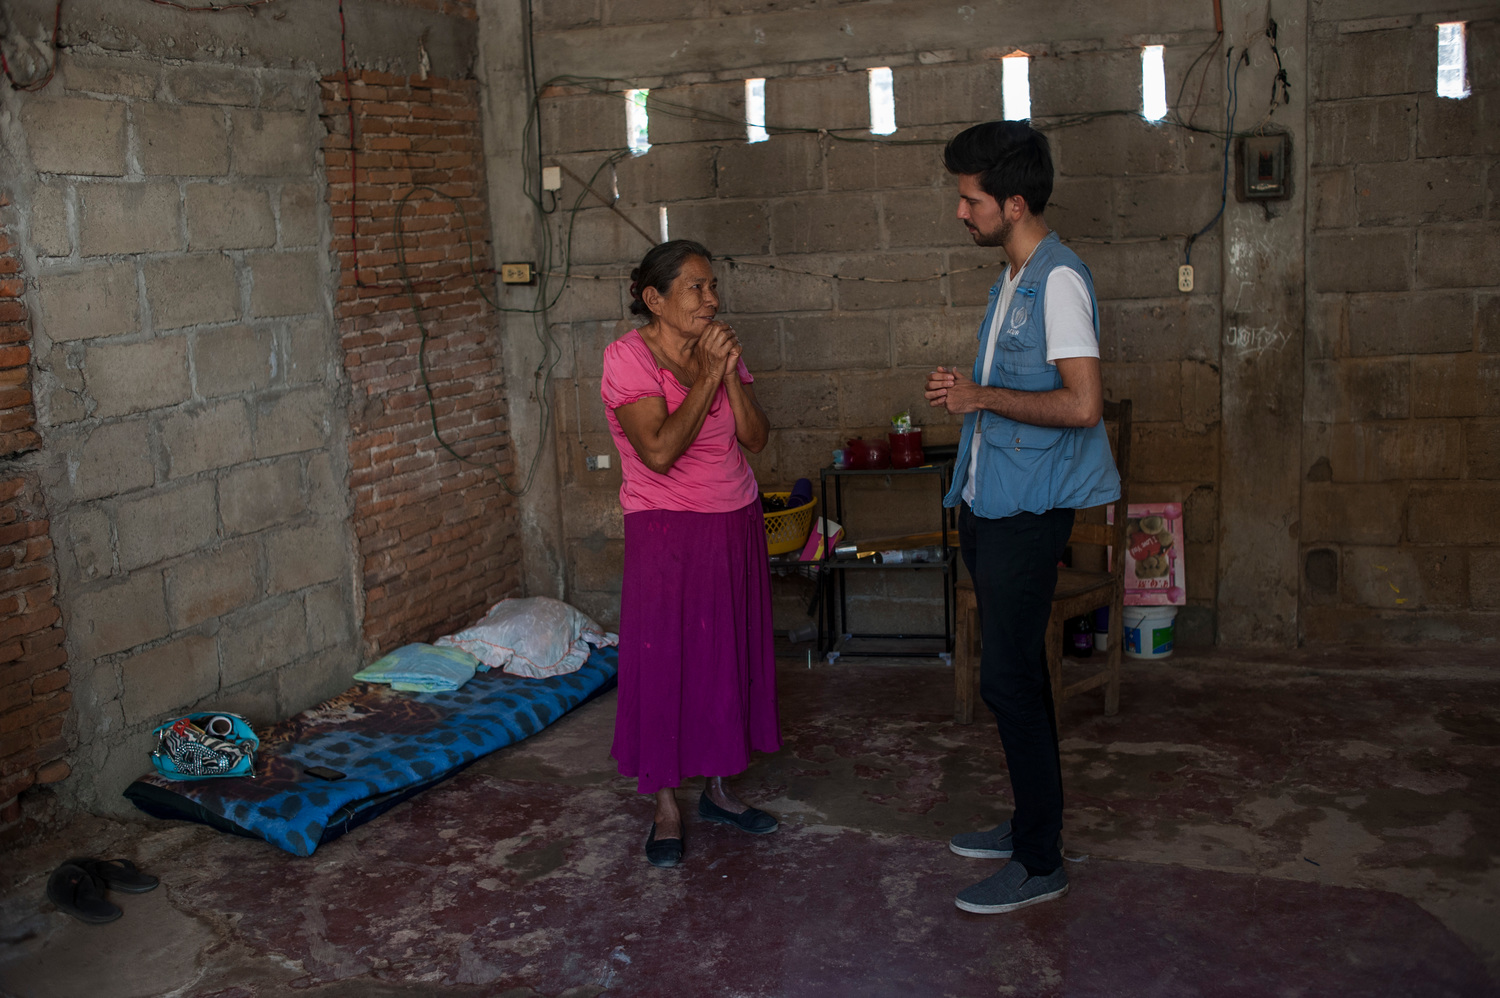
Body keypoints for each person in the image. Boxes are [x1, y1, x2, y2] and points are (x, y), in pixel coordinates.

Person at [924, 121, 1121, 913]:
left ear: (1012, 203)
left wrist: (981, 396)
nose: (960, 212)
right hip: (991, 502)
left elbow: (1083, 405)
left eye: (970, 200)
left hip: (1028, 513)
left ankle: (1041, 861)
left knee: (1009, 681)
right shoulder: (1014, 277)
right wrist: (970, 395)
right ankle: (1030, 827)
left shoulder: (1058, 280)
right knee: (1017, 678)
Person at [601, 239, 782, 868]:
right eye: (696, 288)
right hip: (667, 530)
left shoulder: (719, 350)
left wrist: (727, 373)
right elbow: (657, 451)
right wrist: (707, 375)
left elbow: (756, 438)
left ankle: (719, 791)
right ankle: (666, 807)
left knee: (725, 659)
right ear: (655, 299)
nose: (711, 299)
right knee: (666, 662)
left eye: (713, 286)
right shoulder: (627, 358)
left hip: (734, 521)